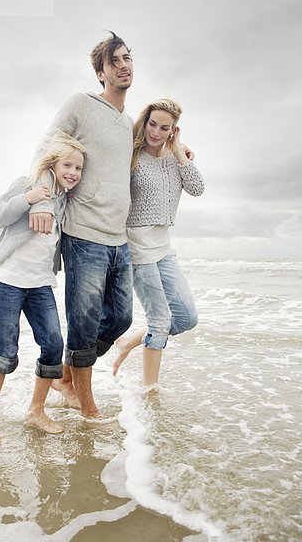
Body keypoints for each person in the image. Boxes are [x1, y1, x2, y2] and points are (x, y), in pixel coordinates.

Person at [29, 32, 135, 418]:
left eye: (128, 58)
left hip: (118, 236)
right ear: (100, 72)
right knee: (84, 321)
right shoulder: (80, 104)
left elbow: (153, 150)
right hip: (84, 232)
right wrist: (41, 199)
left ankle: (68, 375)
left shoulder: (129, 123)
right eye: (115, 61)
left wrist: (179, 145)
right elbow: (46, 148)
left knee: (121, 317)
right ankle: (86, 405)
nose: (124, 66)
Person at [0, 133, 87, 436]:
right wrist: (28, 199)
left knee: (53, 344)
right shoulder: (26, 184)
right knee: (4, 351)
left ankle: (35, 411)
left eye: (78, 169)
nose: (73, 173)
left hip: (40, 284)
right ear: (52, 163)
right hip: (9, 282)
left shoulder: (65, 199)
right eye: (68, 165)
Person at [112, 99, 205, 386]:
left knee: (187, 317)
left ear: (172, 130)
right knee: (160, 320)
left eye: (164, 127)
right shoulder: (132, 154)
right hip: (138, 249)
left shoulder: (175, 158)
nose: (156, 131)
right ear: (145, 121)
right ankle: (150, 391)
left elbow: (197, 188)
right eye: (153, 124)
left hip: (164, 249)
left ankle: (129, 341)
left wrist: (179, 150)